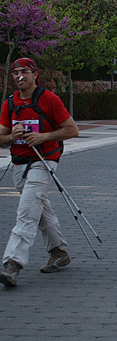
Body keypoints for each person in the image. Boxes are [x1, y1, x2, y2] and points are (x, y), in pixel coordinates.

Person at [0, 58, 79, 288]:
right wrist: (11, 138)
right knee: (38, 207)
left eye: (24, 71)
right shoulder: (10, 104)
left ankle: (12, 264)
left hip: (44, 161)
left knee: (26, 212)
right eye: (15, 73)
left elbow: (71, 130)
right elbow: (1, 138)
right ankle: (58, 250)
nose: (19, 76)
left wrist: (43, 137)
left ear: (35, 74)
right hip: (18, 163)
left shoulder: (48, 99)